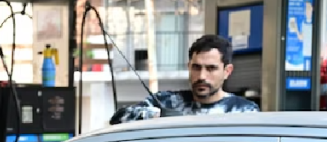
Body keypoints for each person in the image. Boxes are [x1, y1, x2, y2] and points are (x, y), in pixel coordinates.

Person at [109, 34, 259, 124]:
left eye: (211, 68)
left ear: (227, 71)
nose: (202, 76)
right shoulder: (165, 102)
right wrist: (157, 115)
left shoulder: (244, 111)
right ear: (189, 67)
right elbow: (118, 118)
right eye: (196, 67)